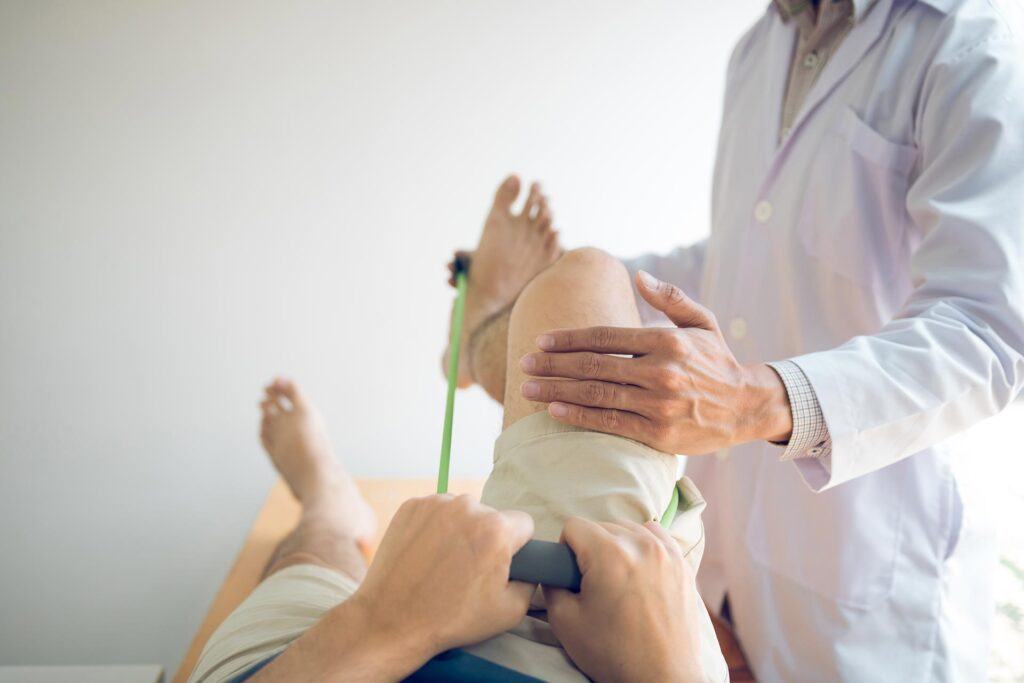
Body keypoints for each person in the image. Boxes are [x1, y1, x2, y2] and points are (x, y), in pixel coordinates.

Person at [453, 2, 1024, 680]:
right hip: (735, 560)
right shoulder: (758, 49)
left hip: (871, 588)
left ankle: (486, 330)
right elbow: (744, 256)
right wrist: (594, 285)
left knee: (568, 301)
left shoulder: (971, 47)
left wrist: (756, 400)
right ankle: (493, 326)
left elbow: (988, 329)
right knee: (571, 296)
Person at [188, 182, 730, 682]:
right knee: (582, 281)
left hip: (321, 661)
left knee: (310, 556)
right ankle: (478, 338)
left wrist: (379, 624)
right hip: (587, 651)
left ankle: (327, 506)